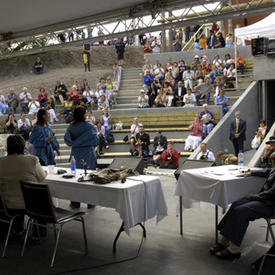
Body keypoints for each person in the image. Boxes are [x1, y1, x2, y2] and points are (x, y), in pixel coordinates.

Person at [210, 165, 275, 260]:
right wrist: (250, 172)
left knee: (242, 211)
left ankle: (234, 250)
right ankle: (224, 241)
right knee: (236, 204)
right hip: (264, 200)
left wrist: (253, 197)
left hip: (271, 205)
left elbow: (272, 193)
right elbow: (268, 171)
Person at [0, 135, 46, 236]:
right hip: (30, 206)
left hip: (7, 205)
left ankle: (18, 230)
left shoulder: (1, 162)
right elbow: (42, 178)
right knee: (44, 200)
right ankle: (37, 234)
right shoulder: (32, 160)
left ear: (8, 147)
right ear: (23, 146)